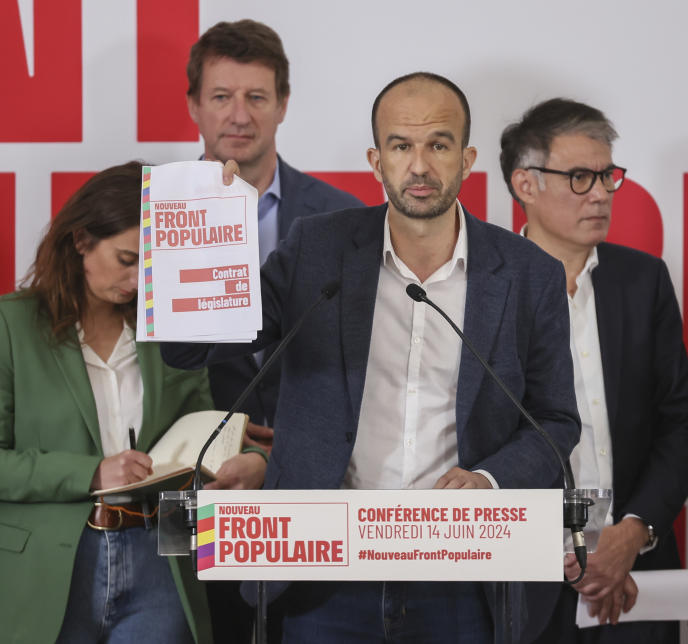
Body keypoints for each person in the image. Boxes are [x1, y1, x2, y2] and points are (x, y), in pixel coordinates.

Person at [162, 72, 580, 642]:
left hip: (462, 571)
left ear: (467, 158)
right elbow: (190, 350)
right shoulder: (317, 250)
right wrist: (206, 237)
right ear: (376, 160)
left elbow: (554, 421)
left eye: (438, 144)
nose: (420, 166)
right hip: (323, 569)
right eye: (401, 146)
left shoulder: (529, 274)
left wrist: (489, 477)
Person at [0, 161, 266, 643]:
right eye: (127, 259)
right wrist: (92, 473)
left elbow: (201, 434)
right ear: (81, 241)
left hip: (161, 558)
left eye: (151, 267)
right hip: (49, 568)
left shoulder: (172, 334)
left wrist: (243, 459)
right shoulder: (11, 327)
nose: (138, 281)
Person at [186, 22, 363, 641]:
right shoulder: (156, 216)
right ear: (193, 106)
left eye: (257, 97)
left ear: (283, 104)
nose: (240, 115)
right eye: (221, 96)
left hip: (314, 478)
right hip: (199, 482)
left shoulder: (344, 219)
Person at [499, 98, 688, 643]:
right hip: (523, 582)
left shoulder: (643, 281)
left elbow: (678, 424)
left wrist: (634, 532)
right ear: (526, 185)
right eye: (580, 177)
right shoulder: (485, 290)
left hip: (634, 576)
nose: (601, 193)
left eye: (607, 175)